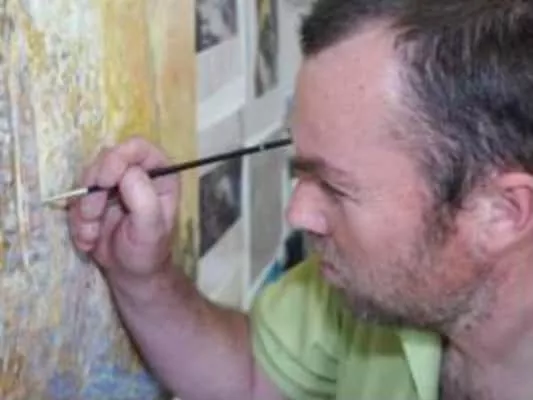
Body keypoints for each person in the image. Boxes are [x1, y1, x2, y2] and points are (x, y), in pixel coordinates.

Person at [67, 0, 533, 398]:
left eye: (336, 187)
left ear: (501, 212)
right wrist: (143, 277)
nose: (298, 213)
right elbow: (251, 377)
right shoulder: (372, 285)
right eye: (303, 171)